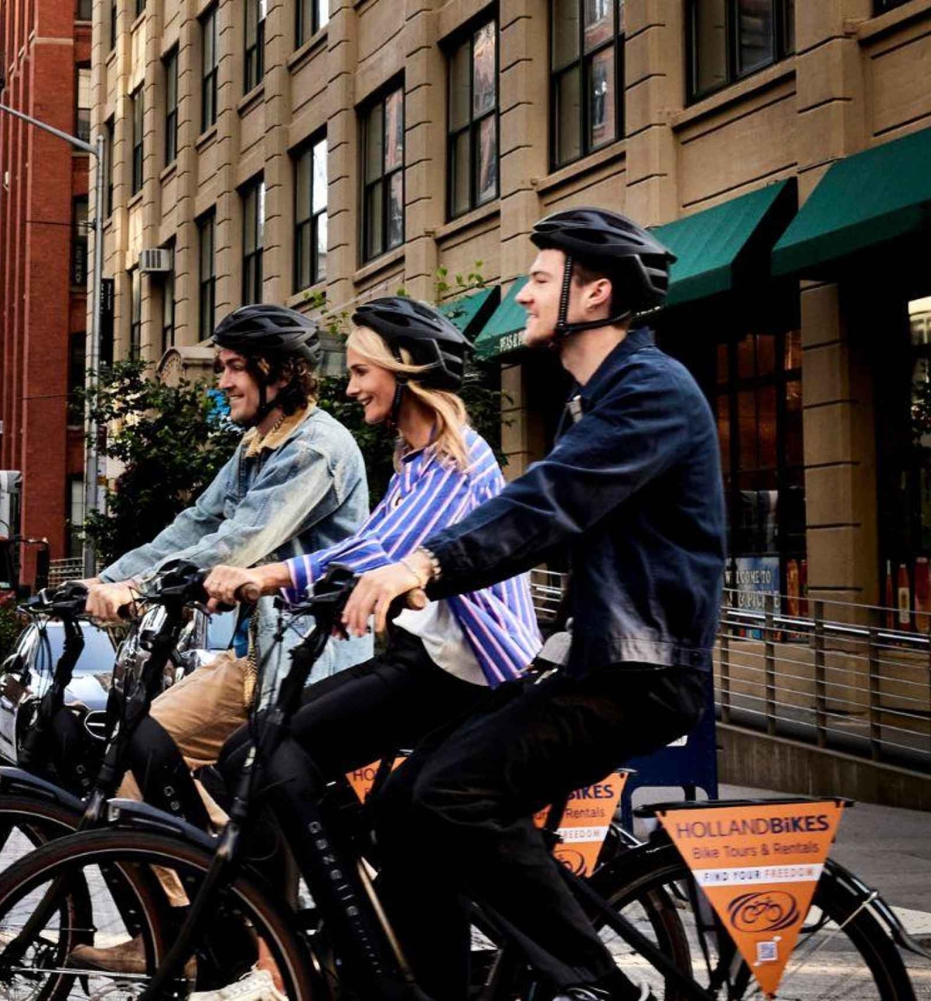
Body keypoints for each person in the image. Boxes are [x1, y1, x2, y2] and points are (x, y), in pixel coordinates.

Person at [359, 208, 724, 1001]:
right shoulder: (591, 399)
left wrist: (428, 561)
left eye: (539, 280)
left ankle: (593, 987)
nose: (521, 295)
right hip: (595, 659)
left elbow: (548, 503)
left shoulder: (651, 393)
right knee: (400, 799)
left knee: (451, 791)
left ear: (594, 294)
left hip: (643, 672)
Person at [203, 296, 542, 1001]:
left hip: (468, 673)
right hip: (429, 663)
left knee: (267, 753)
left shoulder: (456, 460)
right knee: (279, 766)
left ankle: (329, 946)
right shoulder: (415, 462)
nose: (351, 387)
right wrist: (266, 580)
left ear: (405, 371)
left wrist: (265, 574)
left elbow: (381, 552)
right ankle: (352, 939)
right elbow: (363, 549)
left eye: (362, 372)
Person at [66, 303, 371, 980]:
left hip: (313, 665)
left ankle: (254, 935)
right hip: (257, 658)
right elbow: (193, 524)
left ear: (278, 374)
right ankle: (174, 934)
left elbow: (241, 542)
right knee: (129, 757)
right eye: (224, 365)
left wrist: (139, 591)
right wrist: (105, 581)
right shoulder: (254, 447)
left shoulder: (317, 448)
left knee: (254, 785)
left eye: (237, 368)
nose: (224, 381)